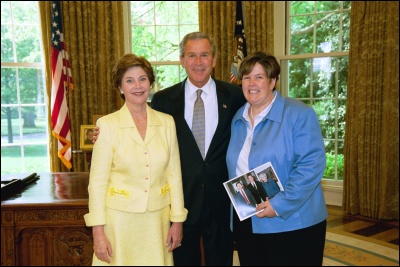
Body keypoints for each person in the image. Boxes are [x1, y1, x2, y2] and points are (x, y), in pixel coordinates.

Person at [92, 32, 246, 266]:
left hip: (220, 202)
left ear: (214, 59)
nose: (198, 62)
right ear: (182, 60)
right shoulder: (164, 100)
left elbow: (255, 125)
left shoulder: (236, 96)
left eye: (204, 55)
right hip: (179, 205)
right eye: (191, 55)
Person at [83, 53, 188, 266]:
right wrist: (98, 233)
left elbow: (175, 176)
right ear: (120, 88)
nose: (137, 86)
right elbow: (97, 184)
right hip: (119, 222)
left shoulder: (167, 123)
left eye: (142, 79)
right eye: (129, 81)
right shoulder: (107, 125)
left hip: (157, 221)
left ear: (150, 82)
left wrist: (177, 221)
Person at [226, 51, 327, 266]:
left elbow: (311, 166)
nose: (252, 83)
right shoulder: (238, 118)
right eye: (246, 77)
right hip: (248, 221)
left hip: (291, 222)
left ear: (273, 81)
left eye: (259, 77)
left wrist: (279, 204)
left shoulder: (298, 114)